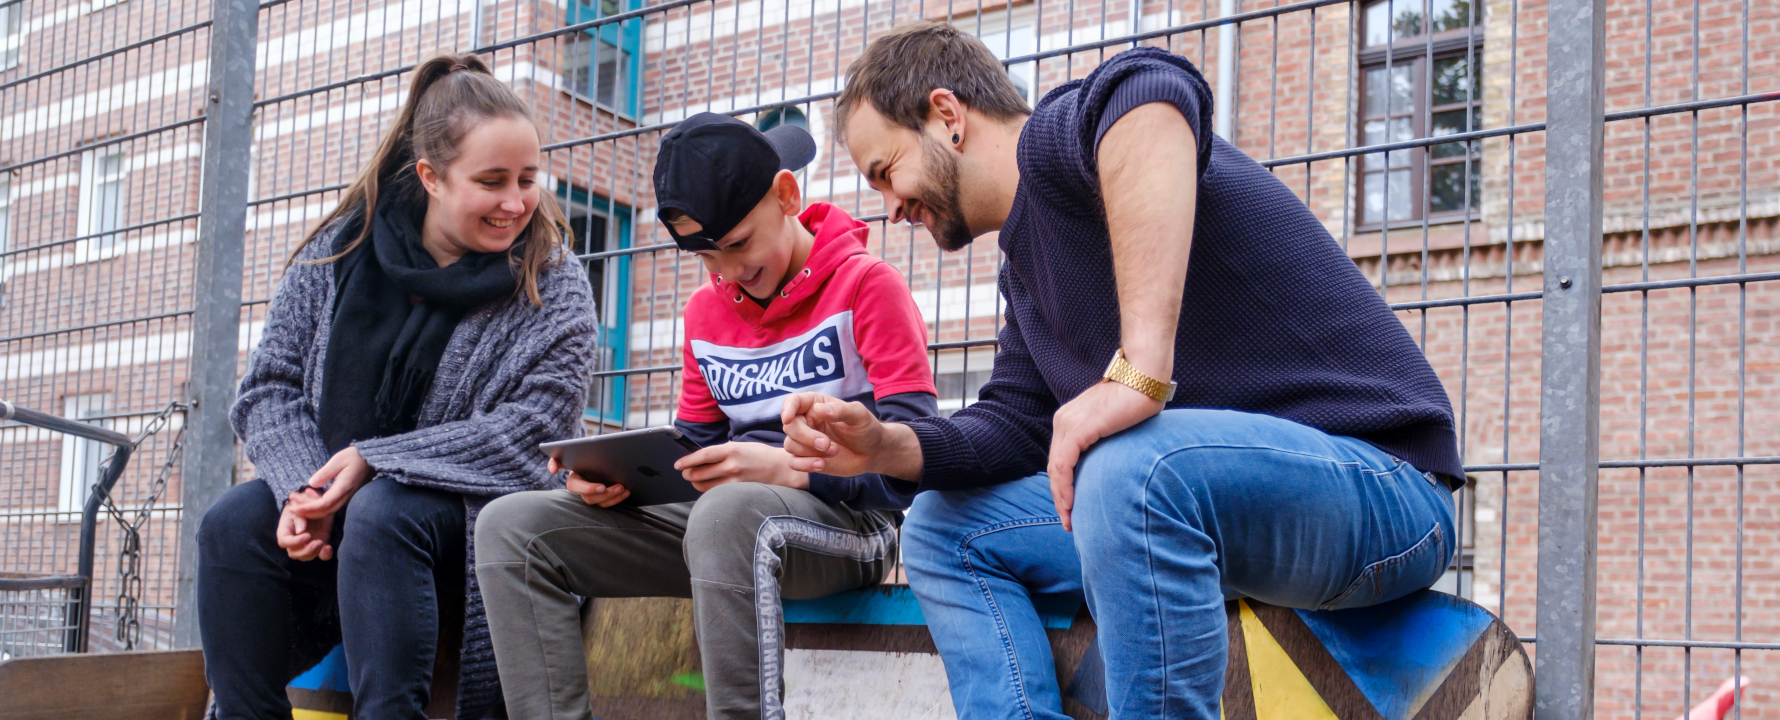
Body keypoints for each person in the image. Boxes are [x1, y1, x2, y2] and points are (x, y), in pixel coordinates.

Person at [780, 22, 1464, 720]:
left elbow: (1151, 91)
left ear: (948, 116)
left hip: (1389, 492)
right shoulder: (1025, 278)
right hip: (1208, 506)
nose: (891, 208)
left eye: (885, 171)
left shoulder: (1060, 145)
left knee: (1128, 466)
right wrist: (886, 445)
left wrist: (1139, 368)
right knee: (941, 530)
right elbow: (1015, 425)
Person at [475, 112, 939, 720]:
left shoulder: (867, 286)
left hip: (853, 526)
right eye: (704, 257)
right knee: (510, 528)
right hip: (723, 530)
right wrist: (624, 478)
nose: (728, 272)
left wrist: (789, 470)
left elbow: (918, 452)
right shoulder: (705, 314)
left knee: (726, 512)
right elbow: (692, 446)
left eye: (740, 243)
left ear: (787, 195)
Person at [198, 54, 597, 720]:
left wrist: (377, 461)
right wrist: (310, 489)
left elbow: (534, 434)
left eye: (529, 179)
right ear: (432, 177)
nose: (516, 202)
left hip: (468, 518)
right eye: (492, 181)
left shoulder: (551, 282)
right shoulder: (338, 251)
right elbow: (270, 388)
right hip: (341, 508)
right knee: (233, 524)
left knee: (386, 512)